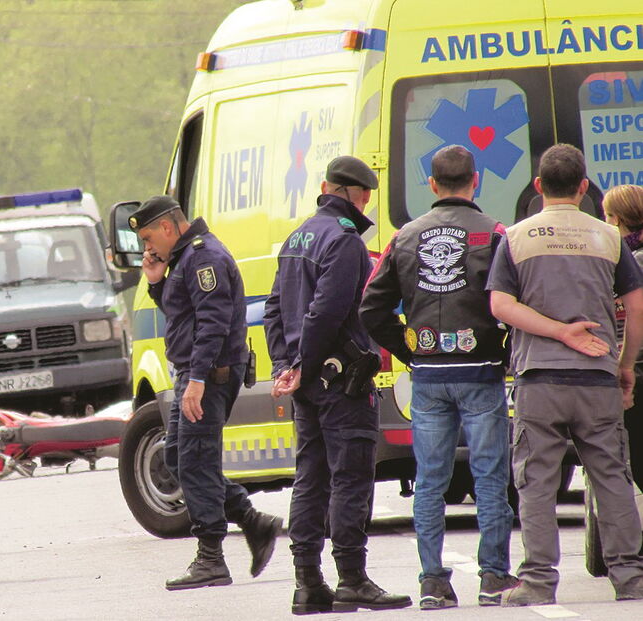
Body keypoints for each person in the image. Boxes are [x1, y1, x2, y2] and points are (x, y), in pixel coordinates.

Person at [359, 145, 516, 608]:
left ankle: (433, 582)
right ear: (477, 181)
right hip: (482, 369)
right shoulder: (495, 234)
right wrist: (502, 348)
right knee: (489, 476)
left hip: (428, 375)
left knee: (429, 479)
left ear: (431, 185)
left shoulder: (405, 237)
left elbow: (371, 307)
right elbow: (516, 299)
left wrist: (410, 349)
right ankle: (493, 578)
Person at [487, 145, 643, 605]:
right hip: (597, 380)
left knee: (536, 481)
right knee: (612, 475)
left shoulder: (515, 238)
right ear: (583, 187)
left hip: (539, 380)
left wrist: (558, 333)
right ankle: (631, 578)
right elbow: (636, 306)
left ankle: (537, 581)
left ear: (538, 187)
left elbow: (500, 305)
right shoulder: (608, 239)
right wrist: (624, 365)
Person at [264, 156, 411, 614]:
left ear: (326, 186)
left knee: (311, 478)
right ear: (359, 194)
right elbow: (325, 313)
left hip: (306, 383)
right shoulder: (345, 242)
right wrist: (305, 366)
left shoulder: (296, 237)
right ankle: (352, 579)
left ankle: (307, 584)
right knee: (350, 478)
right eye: (367, 196)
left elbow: (274, 309)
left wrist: (285, 368)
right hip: (341, 382)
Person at [130, 195, 283, 591]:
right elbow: (181, 313)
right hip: (195, 372)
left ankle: (211, 558)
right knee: (180, 457)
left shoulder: (203, 257)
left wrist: (196, 379)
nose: (147, 248)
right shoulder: (184, 258)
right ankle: (251, 520)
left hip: (210, 375)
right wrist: (155, 282)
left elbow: (213, 324)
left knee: (195, 460)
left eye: (149, 238)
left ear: (167, 227)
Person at [603, 184, 643, 546]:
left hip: (634, 369)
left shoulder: (624, 262)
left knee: (627, 462)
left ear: (616, 220)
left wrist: (623, 362)